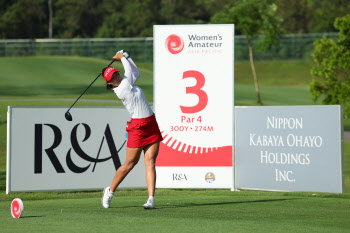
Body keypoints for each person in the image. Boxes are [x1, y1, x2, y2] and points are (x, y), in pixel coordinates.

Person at [101, 50, 163, 209]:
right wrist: (122, 58)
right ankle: (110, 191)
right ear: (109, 83)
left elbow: (135, 71)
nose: (117, 77)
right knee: (130, 163)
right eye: (113, 78)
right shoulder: (121, 89)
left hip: (151, 123)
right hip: (137, 128)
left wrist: (127, 56)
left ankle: (151, 199)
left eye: (116, 74)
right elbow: (128, 70)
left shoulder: (127, 83)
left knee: (150, 162)